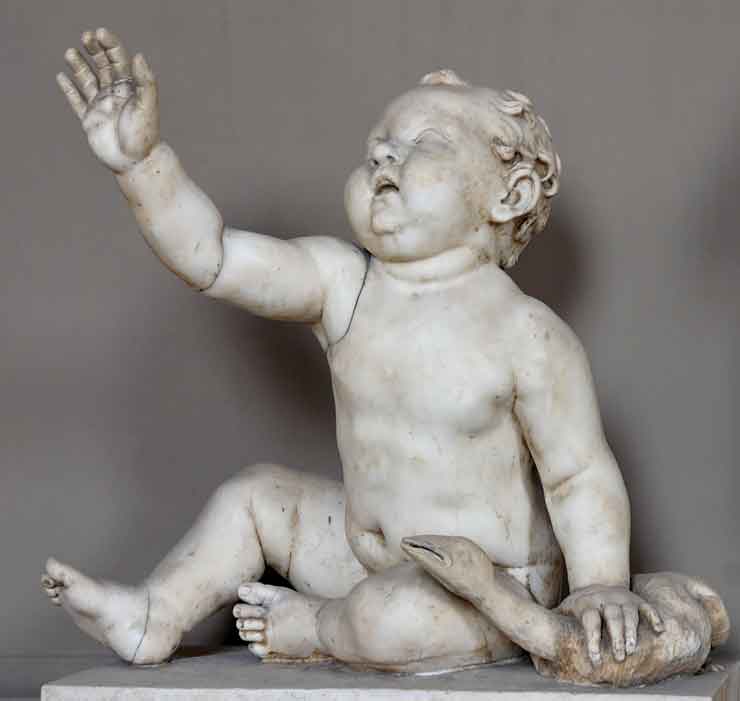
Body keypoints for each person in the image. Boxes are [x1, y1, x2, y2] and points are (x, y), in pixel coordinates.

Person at [42, 28, 664, 673]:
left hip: (486, 587)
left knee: (389, 620)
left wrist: (598, 585)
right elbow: (215, 259)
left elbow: (577, 475)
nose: (386, 156)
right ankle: (156, 613)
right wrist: (142, 164)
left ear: (510, 196)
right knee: (255, 497)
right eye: (377, 148)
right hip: (362, 557)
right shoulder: (345, 285)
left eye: (426, 143)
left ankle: (316, 626)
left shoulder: (527, 333)